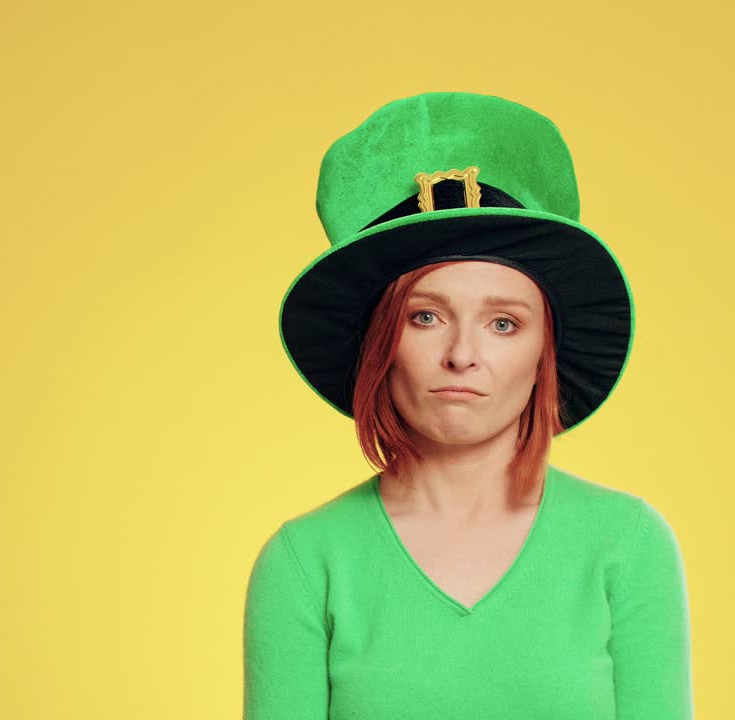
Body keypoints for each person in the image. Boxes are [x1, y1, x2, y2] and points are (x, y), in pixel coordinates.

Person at [244, 91, 693, 720]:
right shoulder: (304, 562)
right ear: (381, 345)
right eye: (425, 316)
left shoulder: (628, 545)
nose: (462, 354)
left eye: (503, 323)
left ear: (545, 351)